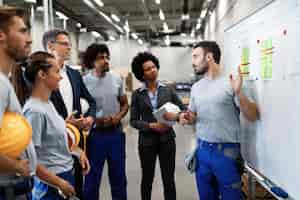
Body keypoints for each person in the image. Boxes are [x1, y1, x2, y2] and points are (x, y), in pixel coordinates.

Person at [165, 41, 259, 200]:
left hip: (226, 154)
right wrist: (186, 117)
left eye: (195, 56)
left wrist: (239, 93)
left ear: (209, 57)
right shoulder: (197, 87)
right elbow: (194, 115)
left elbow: (252, 115)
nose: (192, 61)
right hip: (202, 152)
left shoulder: (231, 82)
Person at [22, 51, 90, 200]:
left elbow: (54, 139)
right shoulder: (34, 111)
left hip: (64, 175)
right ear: (42, 74)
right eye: (57, 71)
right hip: (50, 185)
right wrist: (59, 183)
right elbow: (30, 161)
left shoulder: (48, 104)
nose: (60, 76)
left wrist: (78, 152)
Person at [42, 29, 96, 199]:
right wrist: (64, 124)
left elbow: (91, 101)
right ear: (50, 46)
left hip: (75, 145)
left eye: (69, 44)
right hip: (52, 150)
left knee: (76, 190)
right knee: (55, 192)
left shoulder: (74, 74)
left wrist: (90, 118)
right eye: (64, 44)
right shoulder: (41, 76)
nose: (69, 48)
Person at [130, 52, 186, 200]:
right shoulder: (137, 94)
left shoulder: (168, 90)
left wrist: (175, 116)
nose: (152, 70)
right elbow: (133, 121)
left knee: (168, 179)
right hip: (147, 142)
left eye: (154, 67)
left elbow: (182, 110)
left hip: (167, 140)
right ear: (141, 74)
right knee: (147, 178)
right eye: (148, 69)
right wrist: (151, 125)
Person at [82, 43, 129, 200]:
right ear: (92, 61)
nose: (106, 60)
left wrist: (118, 116)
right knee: (92, 179)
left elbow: (124, 104)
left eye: (107, 57)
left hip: (115, 134)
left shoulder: (116, 79)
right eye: (101, 58)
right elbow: (81, 109)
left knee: (119, 177)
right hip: (94, 136)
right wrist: (95, 119)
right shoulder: (84, 82)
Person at [0, 6, 36, 200]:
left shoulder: (4, 81)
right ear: (1, 35)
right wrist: (16, 166)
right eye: (22, 31)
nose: (29, 39)